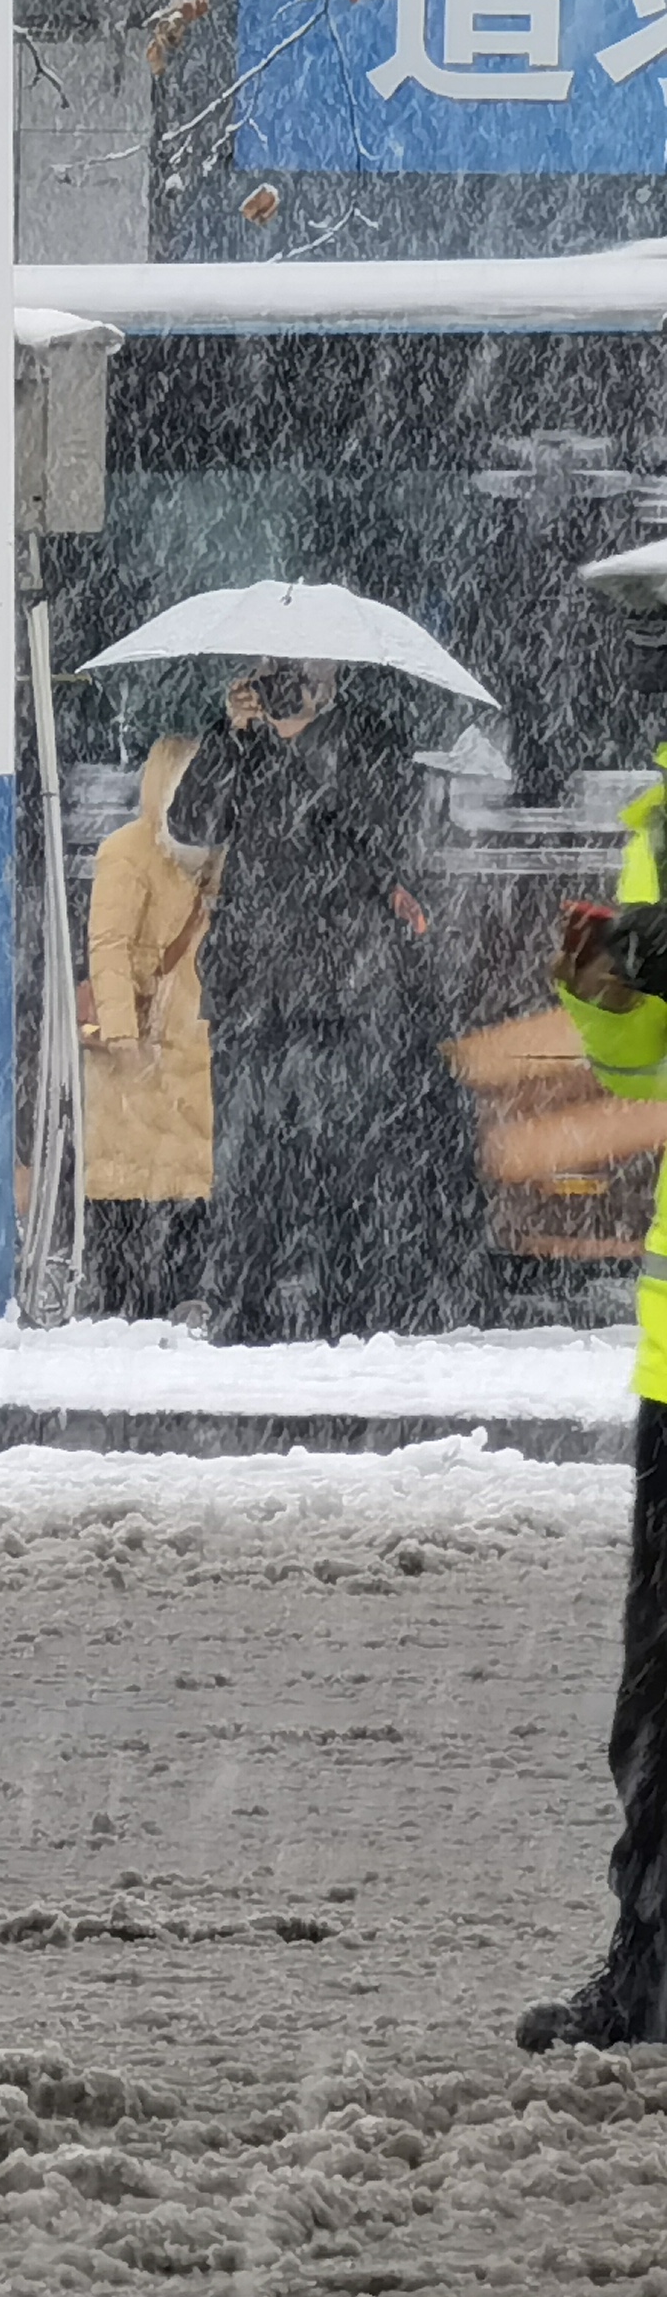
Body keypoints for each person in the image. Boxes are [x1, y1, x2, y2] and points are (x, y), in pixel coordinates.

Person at [164, 656, 484, 1339]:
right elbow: (193, 824)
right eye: (271, 671)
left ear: (331, 671)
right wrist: (232, 734)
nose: (282, 683)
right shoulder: (241, 743)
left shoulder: (371, 741)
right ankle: (237, 1314)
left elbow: (383, 830)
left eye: (295, 672)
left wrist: (304, 742)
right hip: (251, 988)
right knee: (246, 1165)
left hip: (343, 992)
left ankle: (344, 1318)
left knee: (341, 1166)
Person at [524, 541, 667, 2049]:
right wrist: (607, 992)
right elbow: (639, 1067)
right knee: (659, 1709)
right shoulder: (658, 819)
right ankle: (652, 1974)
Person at [78, 736, 221, 1321]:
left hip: (194, 1040)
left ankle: (177, 1294)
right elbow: (107, 948)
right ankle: (120, 1301)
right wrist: (120, 1034)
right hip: (137, 1042)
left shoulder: (216, 857)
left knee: (190, 1178)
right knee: (121, 1177)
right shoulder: (128, 853)